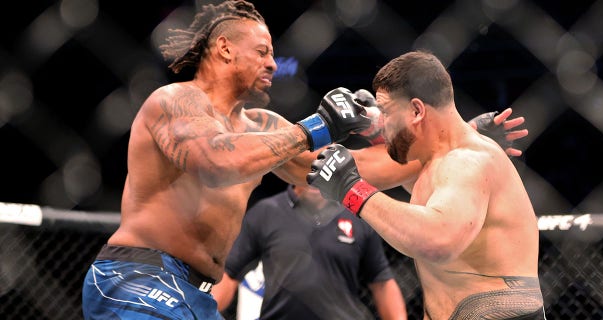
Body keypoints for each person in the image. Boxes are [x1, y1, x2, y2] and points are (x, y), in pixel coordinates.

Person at [80, 0, 527, 318]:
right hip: (137, 278)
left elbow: (345, 171)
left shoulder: (263, 126)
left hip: (197, 296)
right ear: (224, 49)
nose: (274, 64)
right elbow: (213, 163)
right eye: (262, 51)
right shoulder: (174, 102)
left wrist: (452, 136)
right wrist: (313, 126)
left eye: (275, 53)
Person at [307, 50, 545, 320]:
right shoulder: (435, 163)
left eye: (385, 112)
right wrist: (370, 124)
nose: (381, 122)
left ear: (417, 110)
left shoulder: (468, 161)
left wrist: (352, 189)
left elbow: (438, 239)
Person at [211, 184, 407, 319]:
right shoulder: (266, 212)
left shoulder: (357, 217)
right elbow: (230, 274)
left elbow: (382, 282)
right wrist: (203, 312)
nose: (315, 176)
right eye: (309, 167)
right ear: (294, 168)